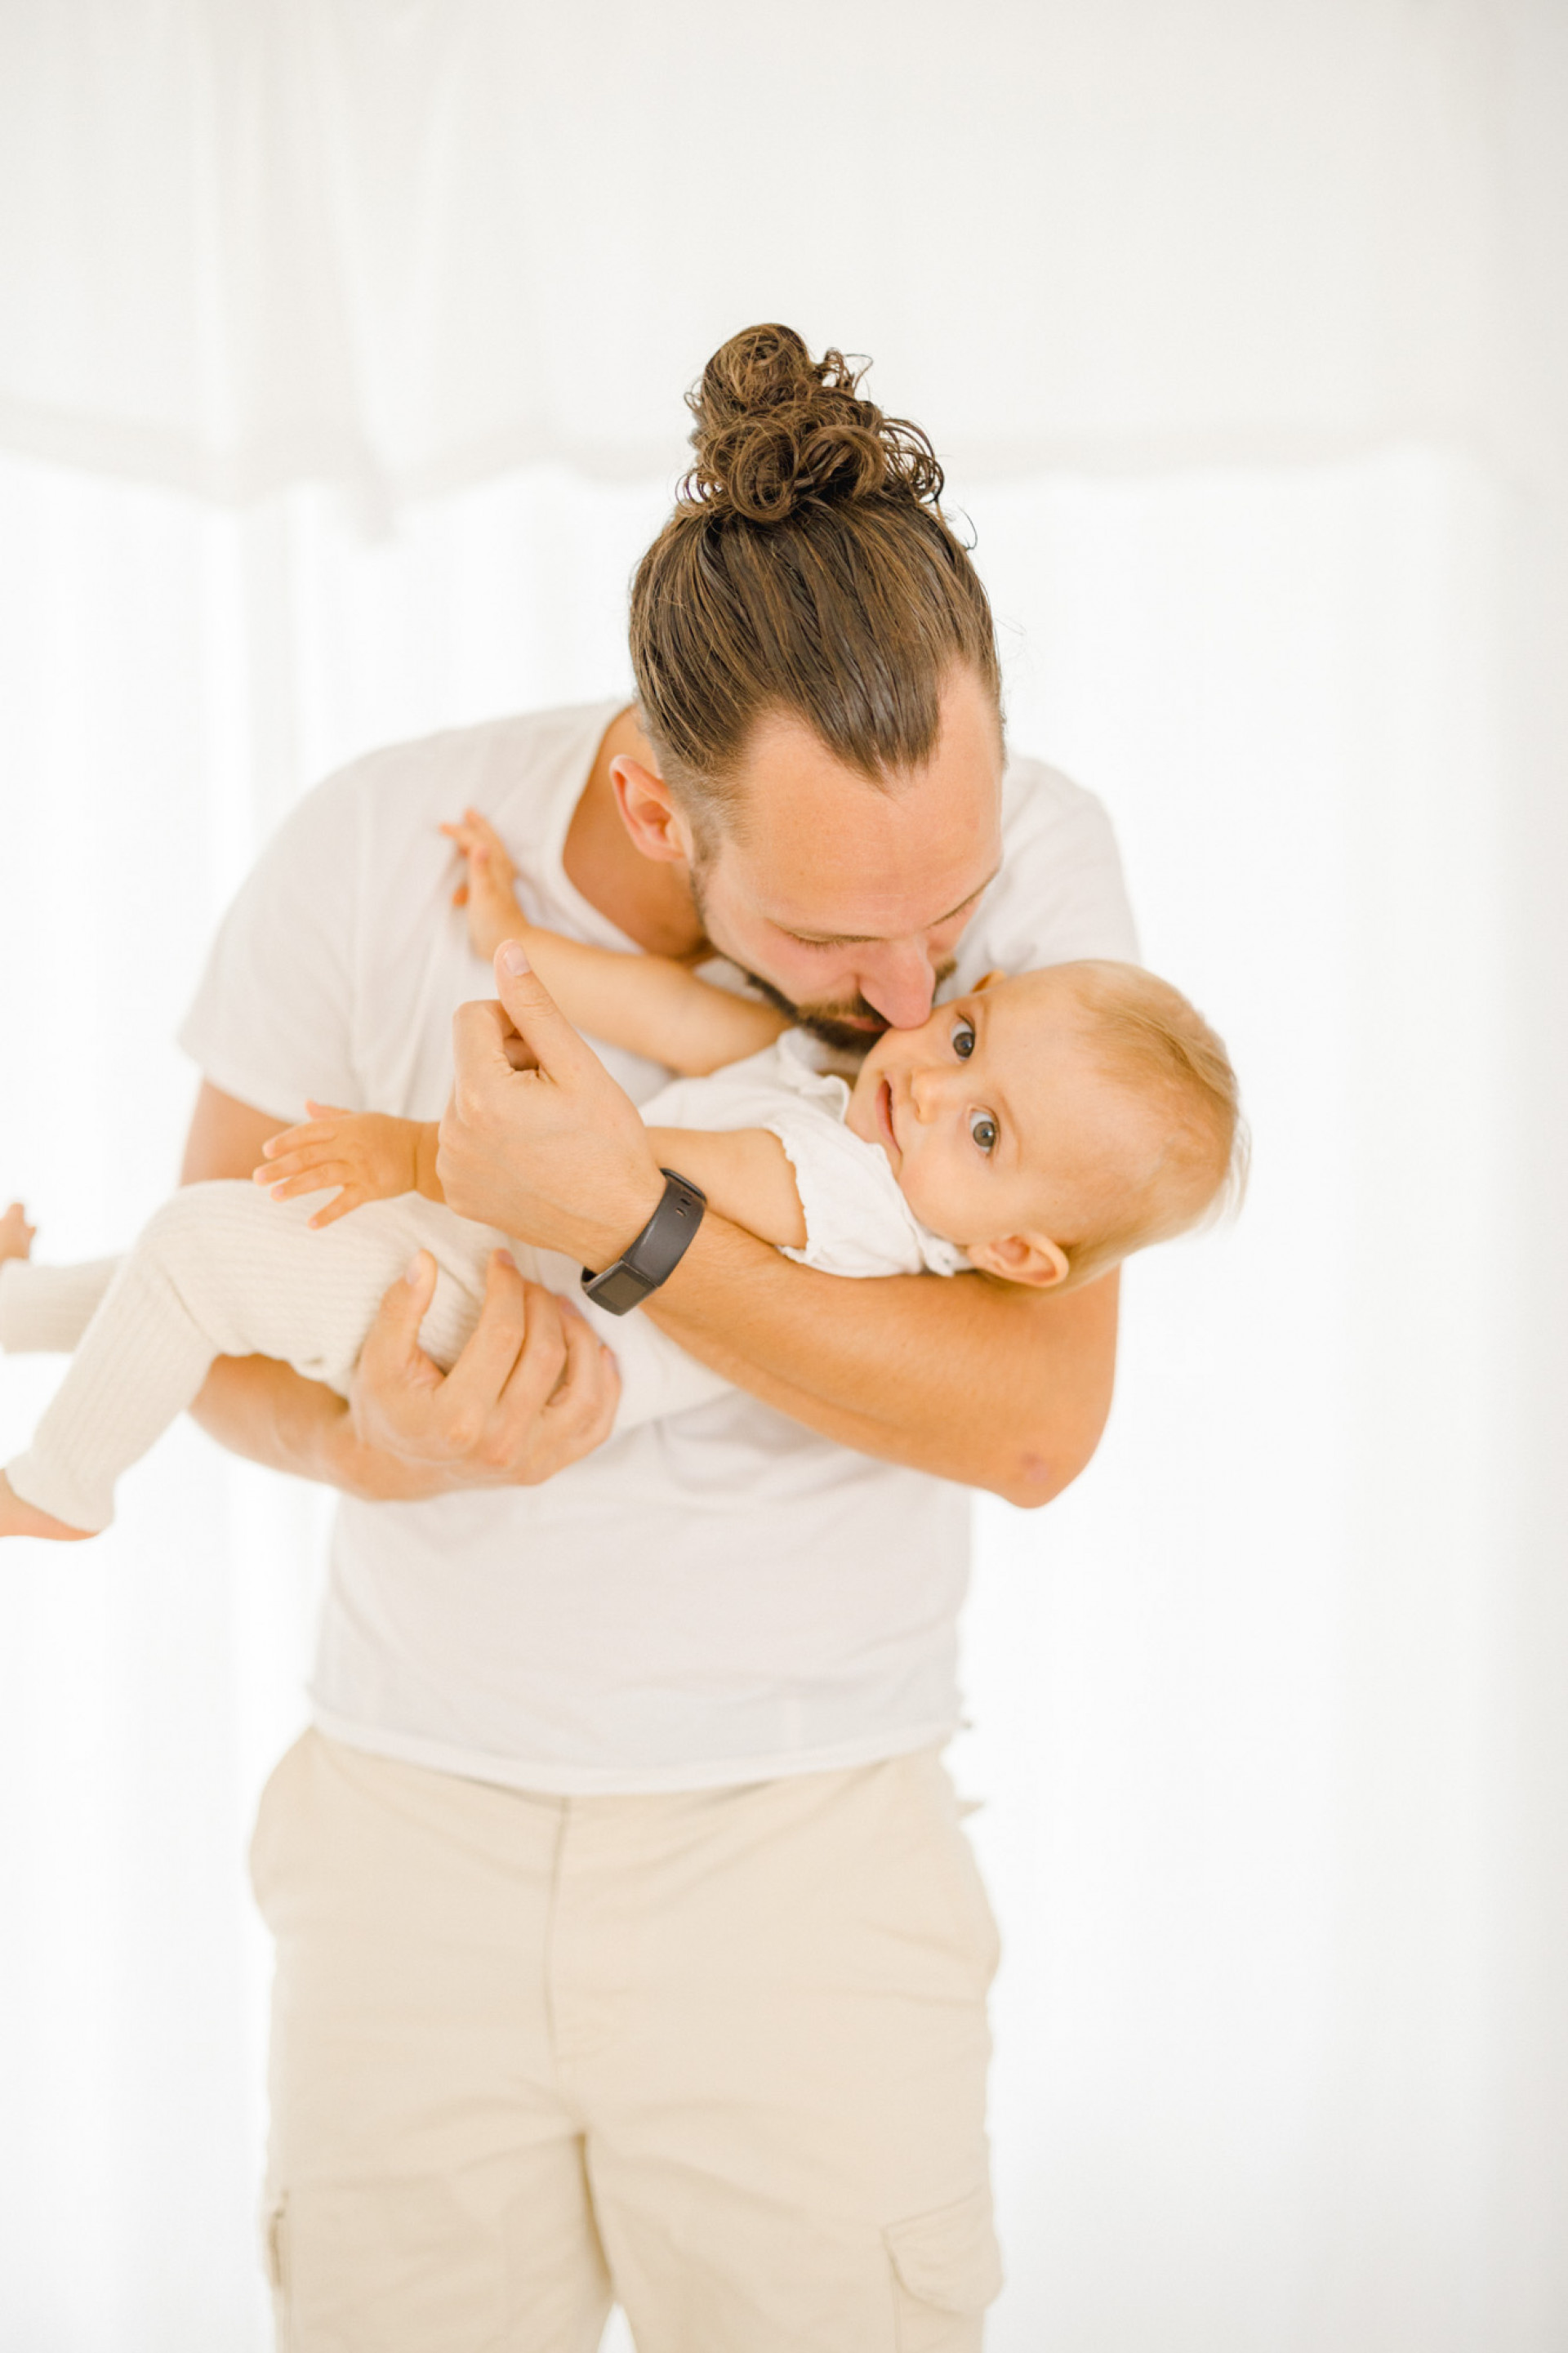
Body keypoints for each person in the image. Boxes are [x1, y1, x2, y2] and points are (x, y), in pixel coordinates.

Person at [148, 323, 1143, 2349]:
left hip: (809, 1863)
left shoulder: (1037, 872)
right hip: (407, 1848)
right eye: (828, 941)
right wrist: (372, 1446)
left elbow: (1041, 1421)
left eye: (944, 915)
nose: (913, 980)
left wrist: (635, 1221)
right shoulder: (366, 851)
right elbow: (208, 1301)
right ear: (652, 805)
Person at [0, 822, 1241, 1538]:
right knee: (210, 1258)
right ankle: (17, 1308)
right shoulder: (838, 1089)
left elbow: (605, 1175)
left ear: (1015, 1256)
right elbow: (673, 1012)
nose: (930, 1084)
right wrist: (510, 940)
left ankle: (60, 1491)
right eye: (966, 1039)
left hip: (500, 1321)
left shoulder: (847, 1197)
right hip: (489, 1268)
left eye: (986, 1136)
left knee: (199, 1253)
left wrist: (411, 1152)